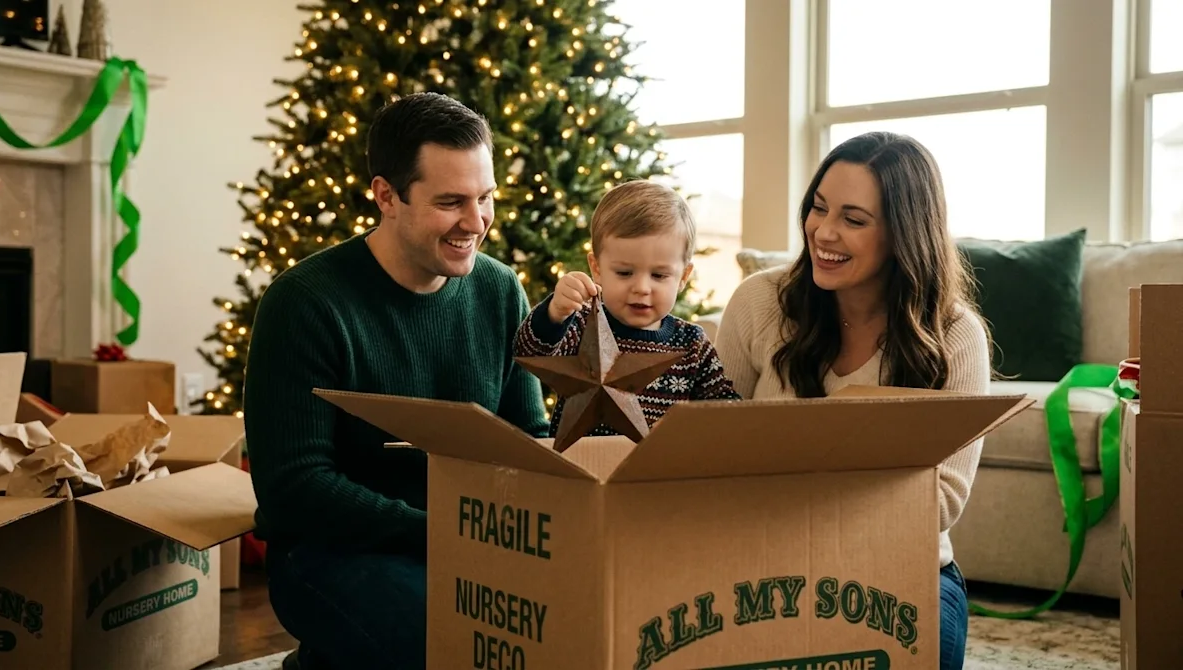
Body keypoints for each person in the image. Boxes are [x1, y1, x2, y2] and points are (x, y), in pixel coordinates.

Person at [241, 92, 550, 670]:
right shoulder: (304, 303)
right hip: (330, 551)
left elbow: (528, 438)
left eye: (485, 198)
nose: (477, 222)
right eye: (451, 202)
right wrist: (442, 534)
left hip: (470, 539)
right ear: (386, 195)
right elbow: (294, 491)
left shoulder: (500, 290)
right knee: (453, 640)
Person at [713, 131, 991, 670]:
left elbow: (941, 501)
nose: (824, 231)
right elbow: (710, 443)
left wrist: (786, 475)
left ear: (904, 234)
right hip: (767, 562)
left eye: (854, 219)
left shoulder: (956, 336)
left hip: (906, 566)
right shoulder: (760, 302)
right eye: (818, 208)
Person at [514, 179, 740, 440]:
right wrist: (555, 313)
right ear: (596, 268)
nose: (642, 288)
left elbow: (726, 409)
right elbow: (528, 352)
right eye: (624, 272)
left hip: (657, 475)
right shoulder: (582, 324)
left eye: (659, 275)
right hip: (582, 468)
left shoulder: (692, 344)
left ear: (683, 276)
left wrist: (686, 429)